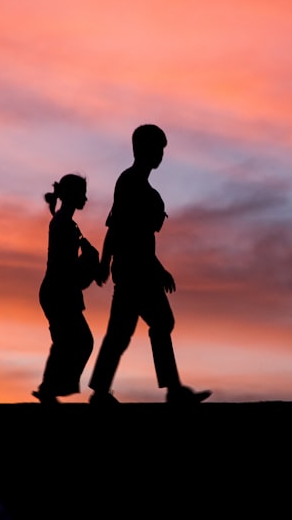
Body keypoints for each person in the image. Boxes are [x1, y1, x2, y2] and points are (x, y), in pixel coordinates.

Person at [88, 124, 211, 405]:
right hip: (135, 271)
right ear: (143, 150)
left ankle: (105, 391)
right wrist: (108, 262)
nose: (161, 155)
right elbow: (120, 229)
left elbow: (129, 233)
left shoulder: (140, 186)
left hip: (138, 269)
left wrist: (153, 268)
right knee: (150, 325)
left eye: (162, 149)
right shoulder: (130, 183)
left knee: (128, 331)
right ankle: (170, 391)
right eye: (158, 149)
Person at [34, 174, 99, 404]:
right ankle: (50, 389)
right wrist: (90, 263)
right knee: (78, 341)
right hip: (58, 291)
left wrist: (89, 263)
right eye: (82, 193)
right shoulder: (64, 224)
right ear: (72, 195)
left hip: (57, 291)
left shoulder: (65, 223)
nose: (85, 198)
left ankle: (49, 389)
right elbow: (66, 267)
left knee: (68, 342)